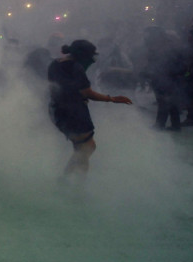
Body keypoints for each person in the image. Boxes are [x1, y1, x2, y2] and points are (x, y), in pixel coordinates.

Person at [47, 40, 132, 177]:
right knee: (86, 148)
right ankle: (69, 180)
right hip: (73, 112)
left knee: (83, 148)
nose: (92, 60)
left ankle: (73, 180)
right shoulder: (76, 67)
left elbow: (57, 88)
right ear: (83, 55)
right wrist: (112, 99)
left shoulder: (55, 63)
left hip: (57, 109)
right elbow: (87, 93)